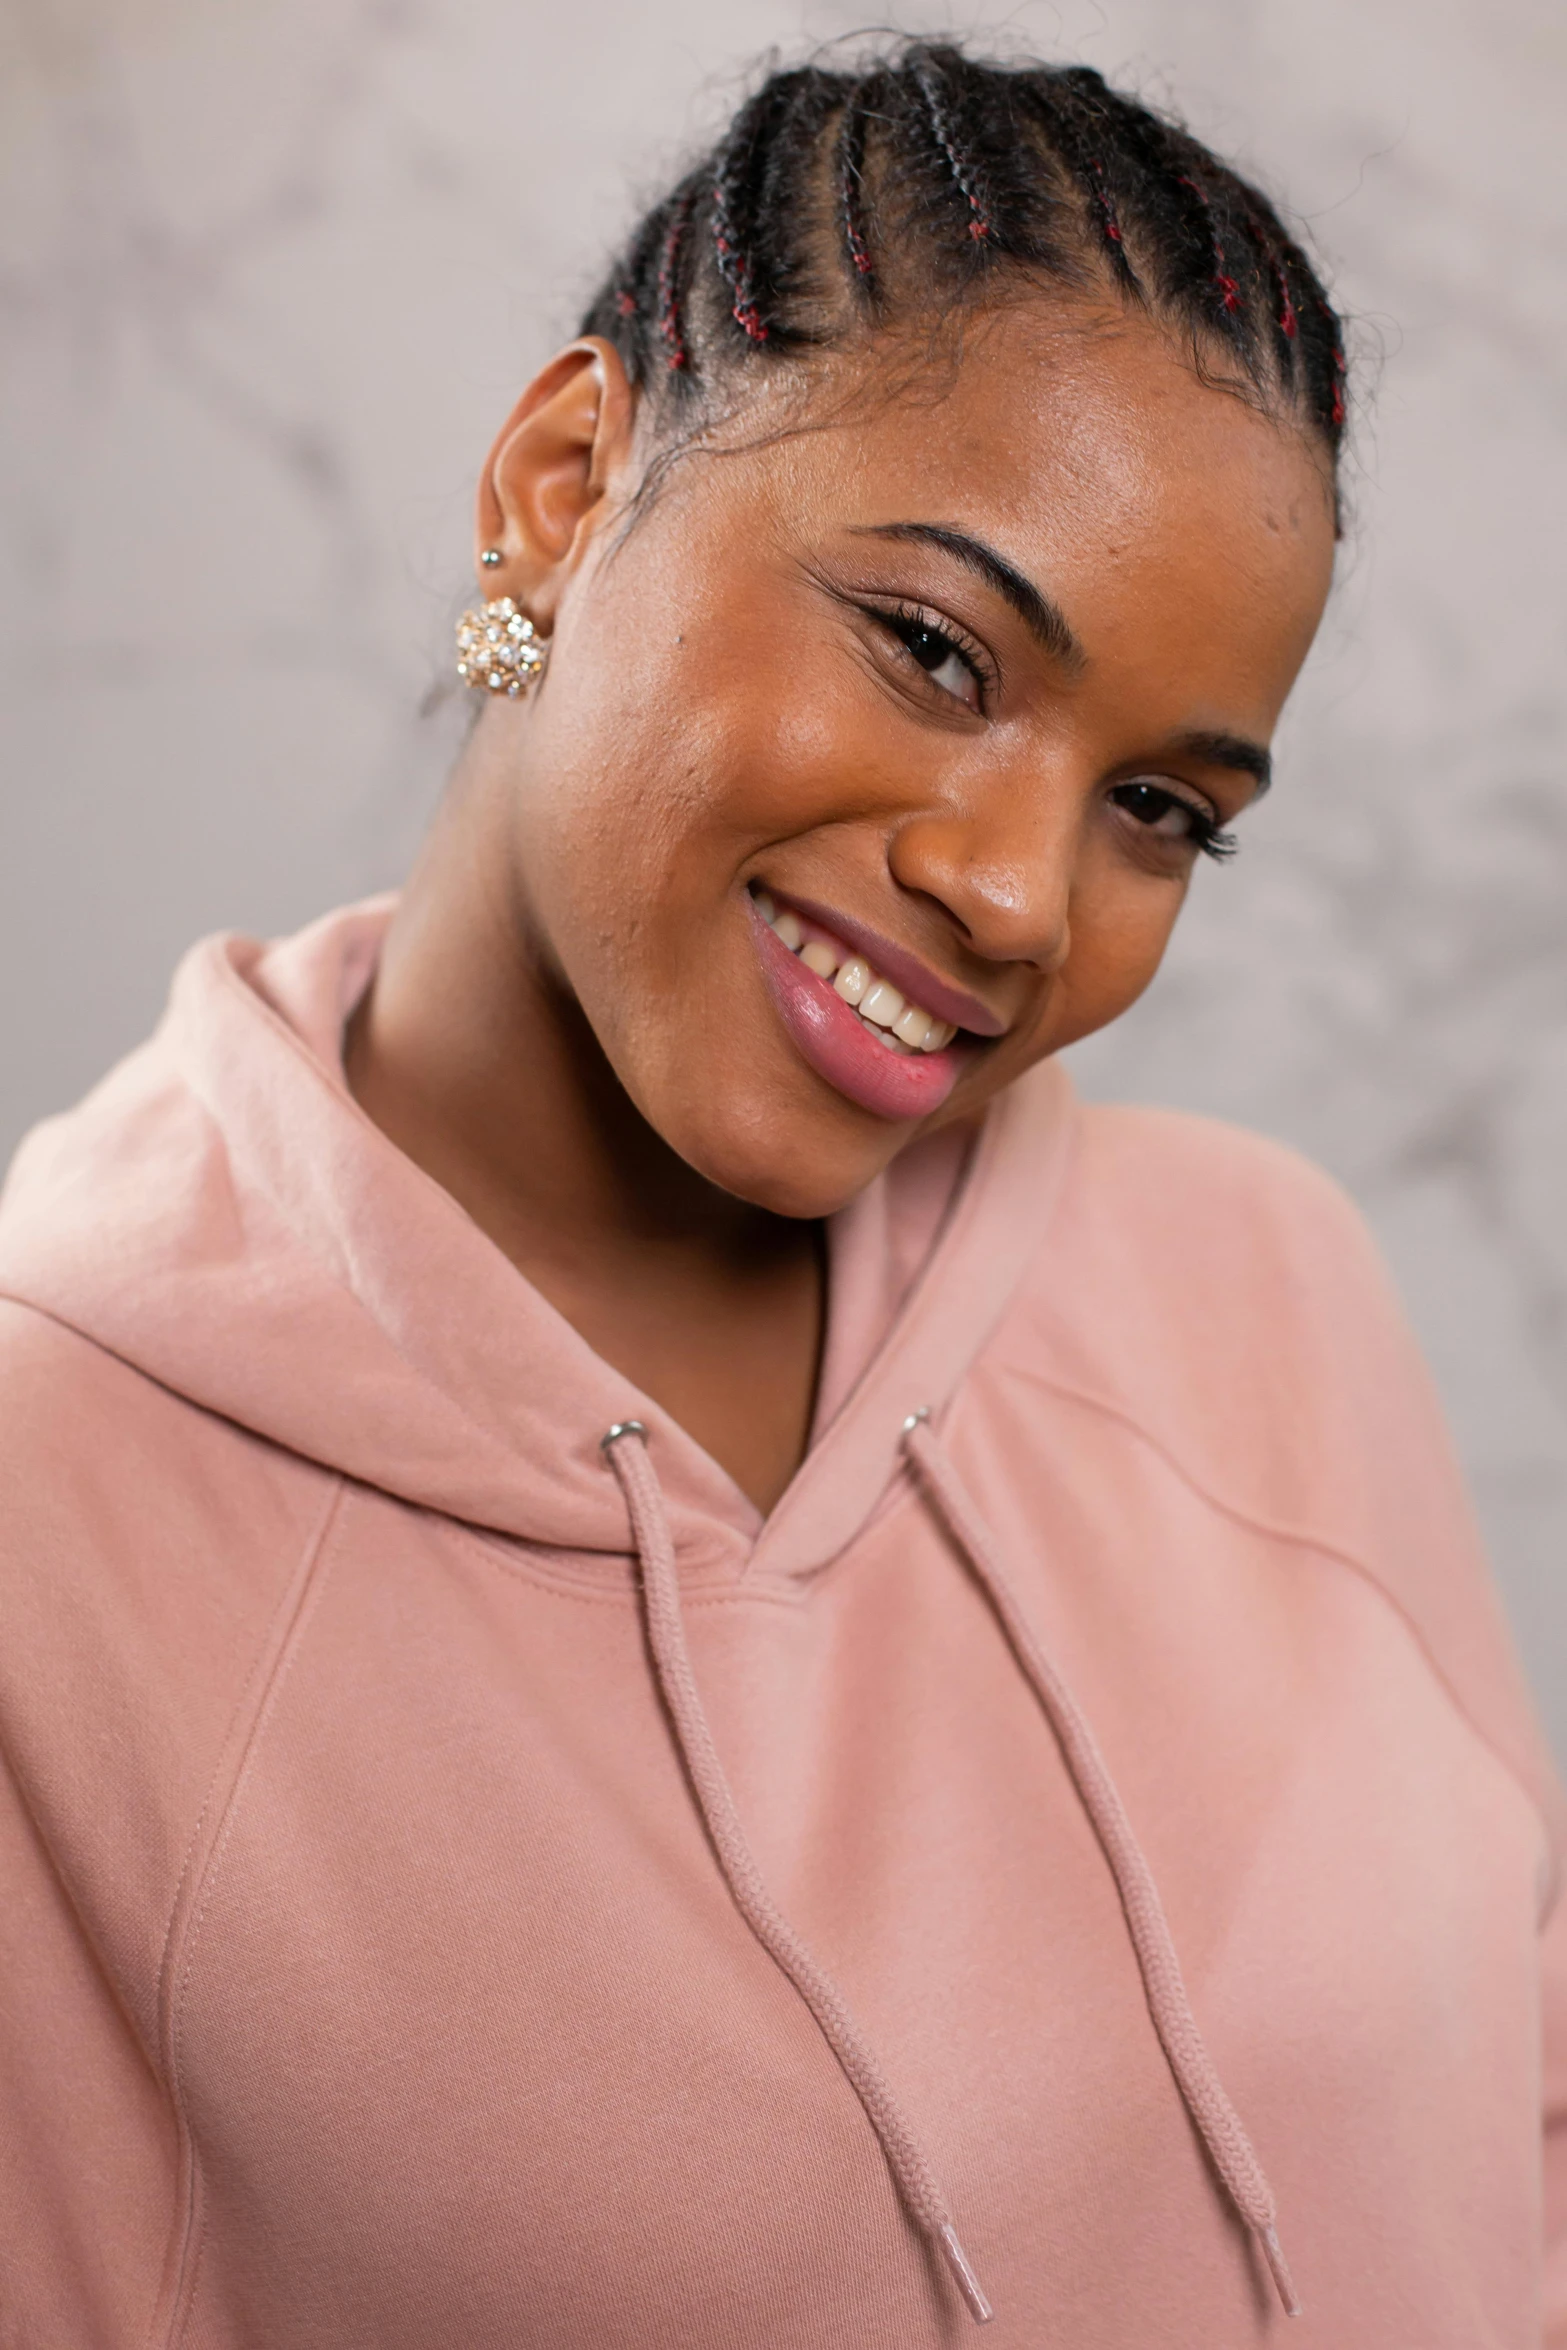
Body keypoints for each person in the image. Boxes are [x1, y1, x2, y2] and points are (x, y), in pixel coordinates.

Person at [0, 37, 1561, 2349]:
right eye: (934, 648)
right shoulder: (53, 1529)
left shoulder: (1264, 1274)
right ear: (557, 483)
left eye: (1162, 808)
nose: (1020, 892)